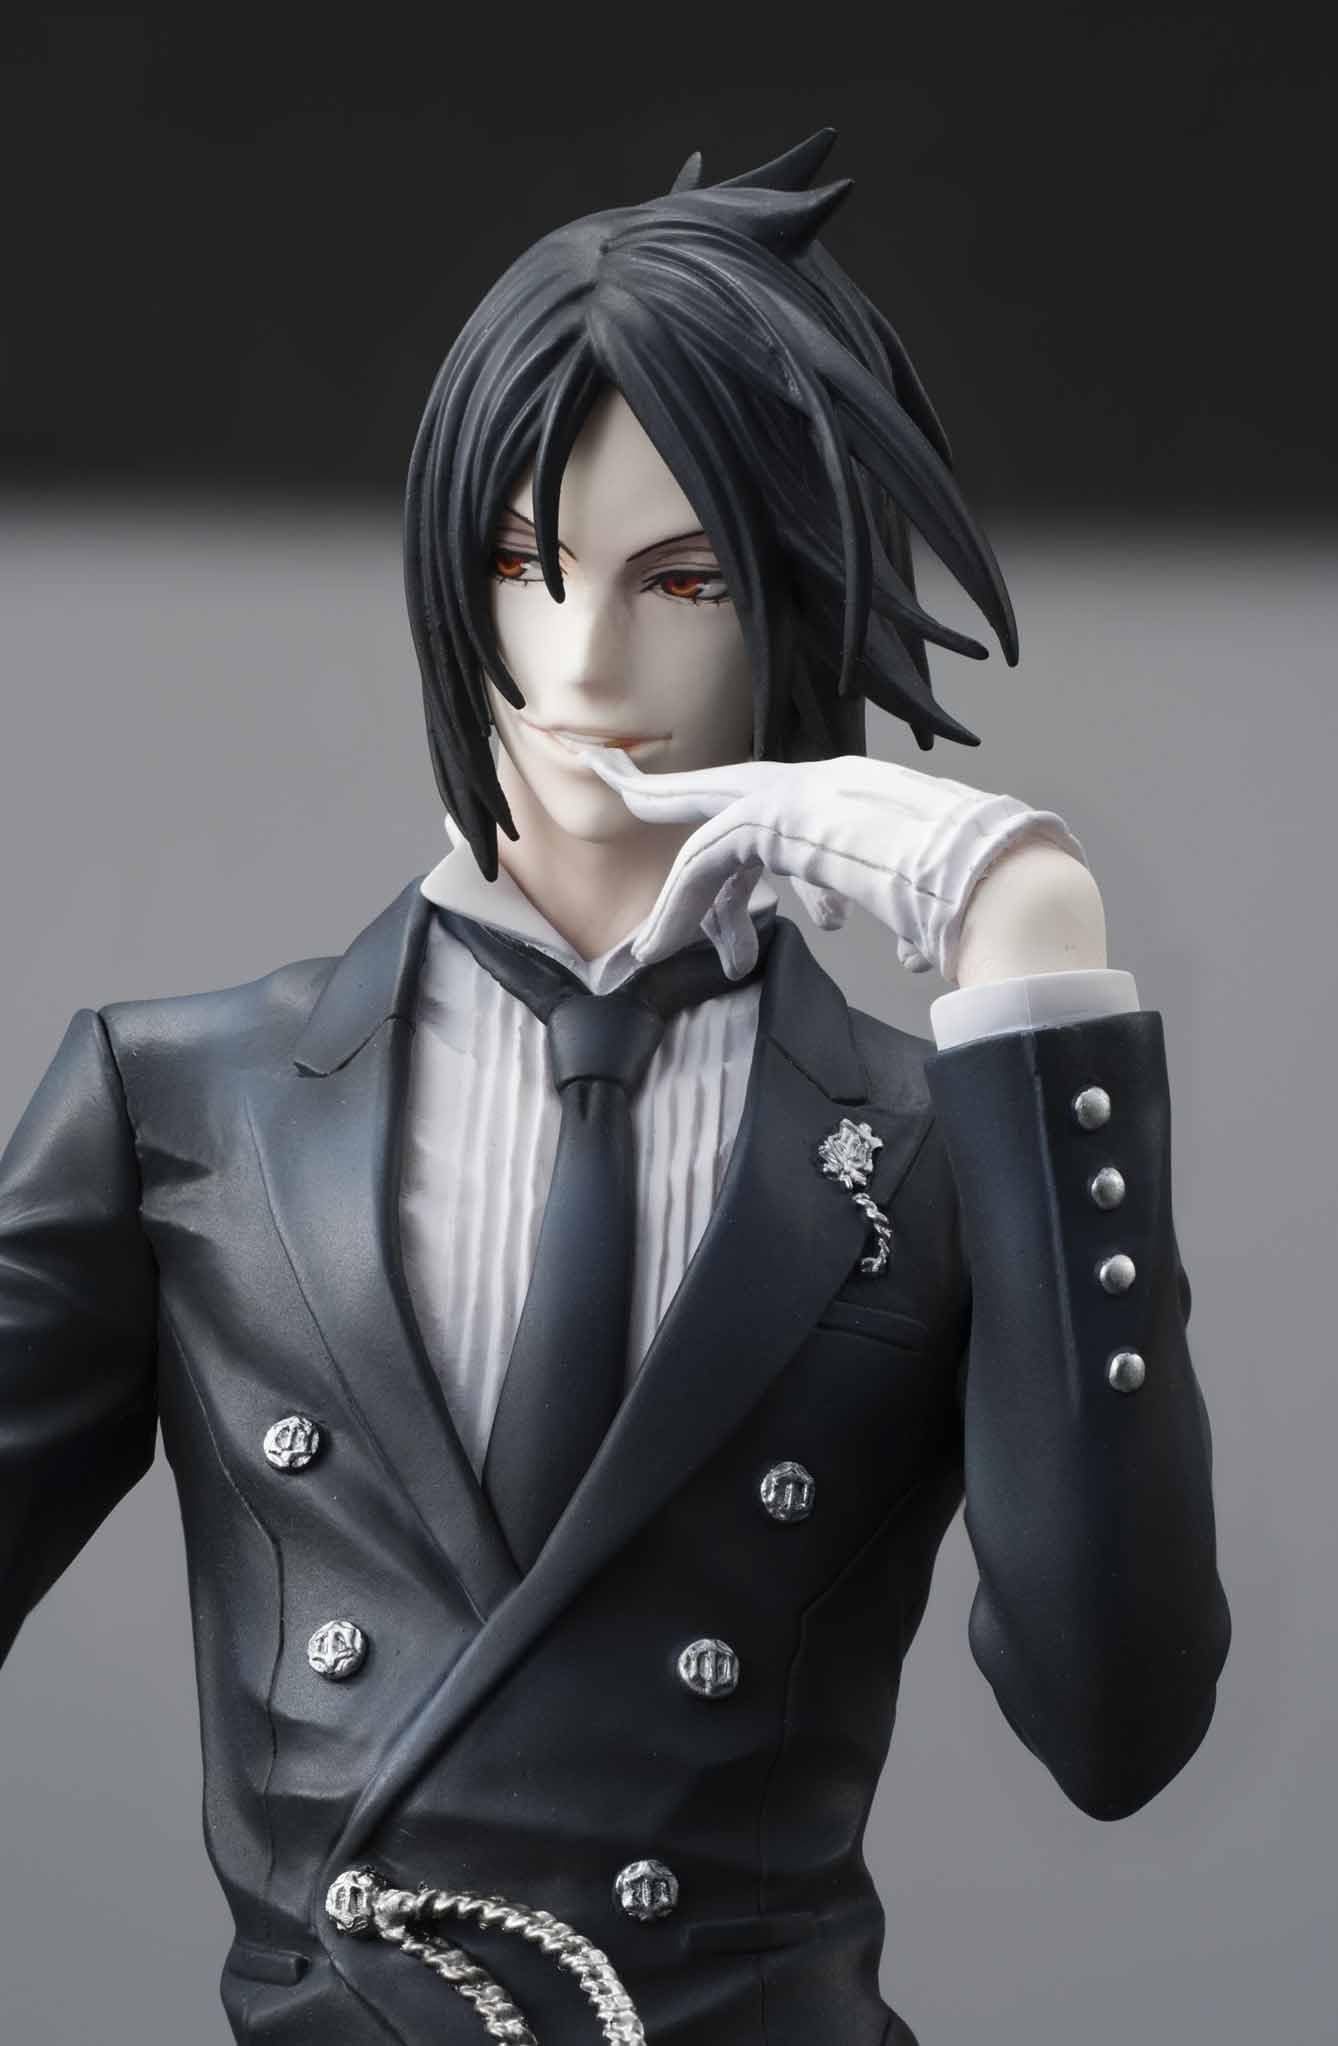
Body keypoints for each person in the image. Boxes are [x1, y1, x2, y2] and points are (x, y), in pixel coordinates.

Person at [0, 129, 1229, 2045]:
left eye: (684, 578)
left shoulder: (936, 1142)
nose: (581, 662)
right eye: (522, 563)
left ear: (797, 593)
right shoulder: (182, 1100)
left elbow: (1117, 1717)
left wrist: (1031, 957)